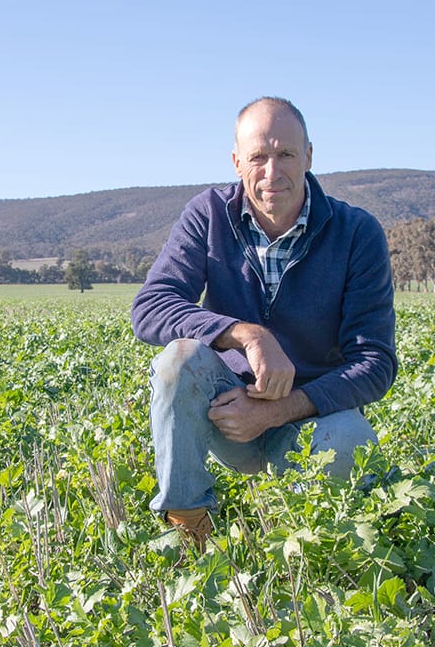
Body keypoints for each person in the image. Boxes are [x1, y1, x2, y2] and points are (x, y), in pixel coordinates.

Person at [130, 96, 397, 549]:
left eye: (286, 154)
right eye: (258, 156)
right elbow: (151, 306)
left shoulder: (356, 233)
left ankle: (291, 533)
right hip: (227, 412)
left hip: (311, 421)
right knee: (179, 359)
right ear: (237, 162)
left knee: (351, 440)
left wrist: (277, 410)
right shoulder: (209, 215)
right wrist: (245, 334)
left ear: (309, 155)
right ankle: (188, 523)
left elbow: (374, 362)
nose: (272, 173)